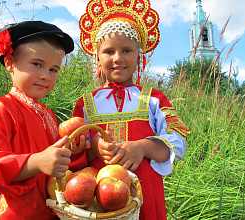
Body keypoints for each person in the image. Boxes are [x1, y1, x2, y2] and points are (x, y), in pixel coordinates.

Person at [72, 0, 190, 219]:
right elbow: (73, 152)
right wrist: (94, 148)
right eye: (109, 51)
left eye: (126, 50)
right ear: (97, 56)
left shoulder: (153, 98)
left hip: (146, 196)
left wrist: (144, 147)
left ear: (139, 55)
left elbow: (179, 141)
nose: (118, 58)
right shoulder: (85, 104)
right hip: (97, 201)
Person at [0, 21, 89, 220]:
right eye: (37, 64)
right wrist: (36, 162)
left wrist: (75, 152)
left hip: (48, 213)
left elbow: (55, 164)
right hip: (15, 214)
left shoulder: (48, 115)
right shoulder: (0, 109)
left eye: (54, 69)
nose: (45, 76)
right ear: (10, 63)